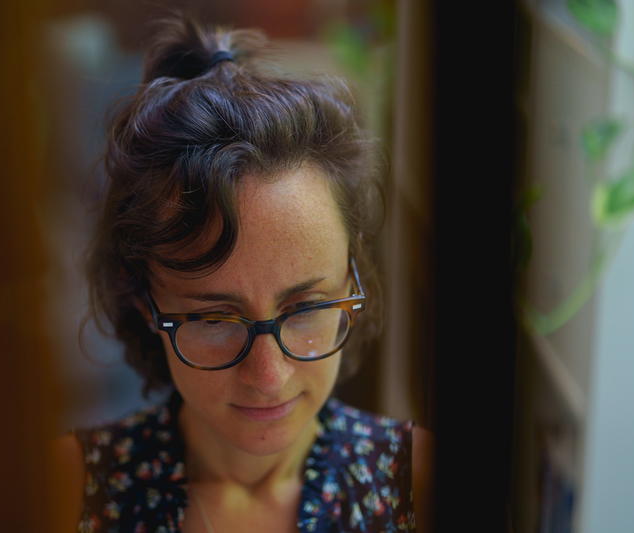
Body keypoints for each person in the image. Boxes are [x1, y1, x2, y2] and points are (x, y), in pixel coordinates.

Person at [53, 16, 434, 533]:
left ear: (352, 280)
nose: (268, 376)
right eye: (214, 319)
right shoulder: (68, 492)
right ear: (147, 303)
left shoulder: (418, 484)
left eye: (305, 309)